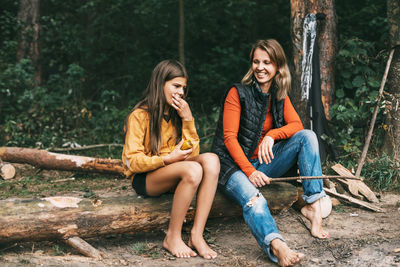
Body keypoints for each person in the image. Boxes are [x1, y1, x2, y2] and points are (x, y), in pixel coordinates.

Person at [212, 39, 329, 266]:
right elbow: (229, 139)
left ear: (277, 66)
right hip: (231, 167)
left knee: (308, 137)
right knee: (254, 200)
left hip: (262, 164)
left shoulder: (277, 94)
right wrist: (249, 171)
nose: (260, 67)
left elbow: (297, 125)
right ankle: (277, 245)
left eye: (267, 62)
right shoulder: (238, 93)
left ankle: (314, 207)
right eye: (256, 61)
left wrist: (272, 135)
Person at [122, 59, 219, 260]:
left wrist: (188, 119)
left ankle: (196, 234)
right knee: (193, 170)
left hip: (175, 172)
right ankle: (172, 236)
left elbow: (192, 154)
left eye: (183, 88)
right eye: (176, 86)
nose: (181, 92)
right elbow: (131, 162)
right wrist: (166, 159)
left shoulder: (177, 115)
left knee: (211, 160)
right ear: (160, 84)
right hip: (146, 178)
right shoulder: (139, 116)